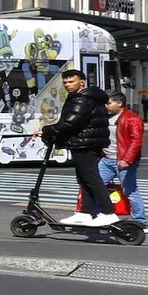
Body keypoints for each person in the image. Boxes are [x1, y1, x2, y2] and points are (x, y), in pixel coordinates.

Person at [43, 70, 115, 224]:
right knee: (84, 178)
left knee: (91, 178)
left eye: (71, 81)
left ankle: (108, 213)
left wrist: (46, 130)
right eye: (65, 82)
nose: (68, 85)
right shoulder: (85, 97)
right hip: (85, 141)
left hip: (85, 143)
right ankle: (85, 212)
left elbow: (71, 122)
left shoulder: (83, 99)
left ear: (81, 82)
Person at [104, 90, 148, 230]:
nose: (106, 105)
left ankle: (140, 222)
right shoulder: (106, 118)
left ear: (119, 103)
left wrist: (127, 160)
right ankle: (100, 215)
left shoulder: (132, 118)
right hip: (106, 160)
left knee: (130, 190)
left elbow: (136, 142)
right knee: (95, 186)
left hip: (123, 160)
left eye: (109, 103)